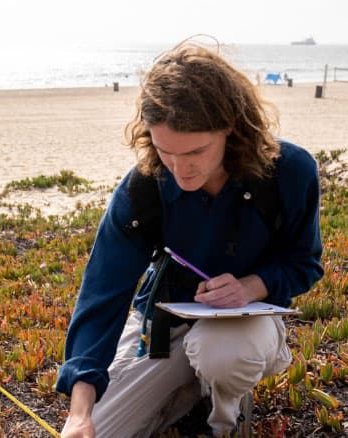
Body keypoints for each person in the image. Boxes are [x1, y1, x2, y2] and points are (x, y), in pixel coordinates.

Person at [56, 42, 323, 437]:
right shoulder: (143, 188)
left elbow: (305, 264)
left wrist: (252, 286)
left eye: (197, 151)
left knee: (222, 356)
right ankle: (189, 385)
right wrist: (80, 411)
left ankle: (223, 421)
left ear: (230, 128)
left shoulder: (290, 171)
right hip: (163, 326)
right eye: (166, 151)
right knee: (99, 431)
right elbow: (102, 293)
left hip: (245, 328)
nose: (181, 170)